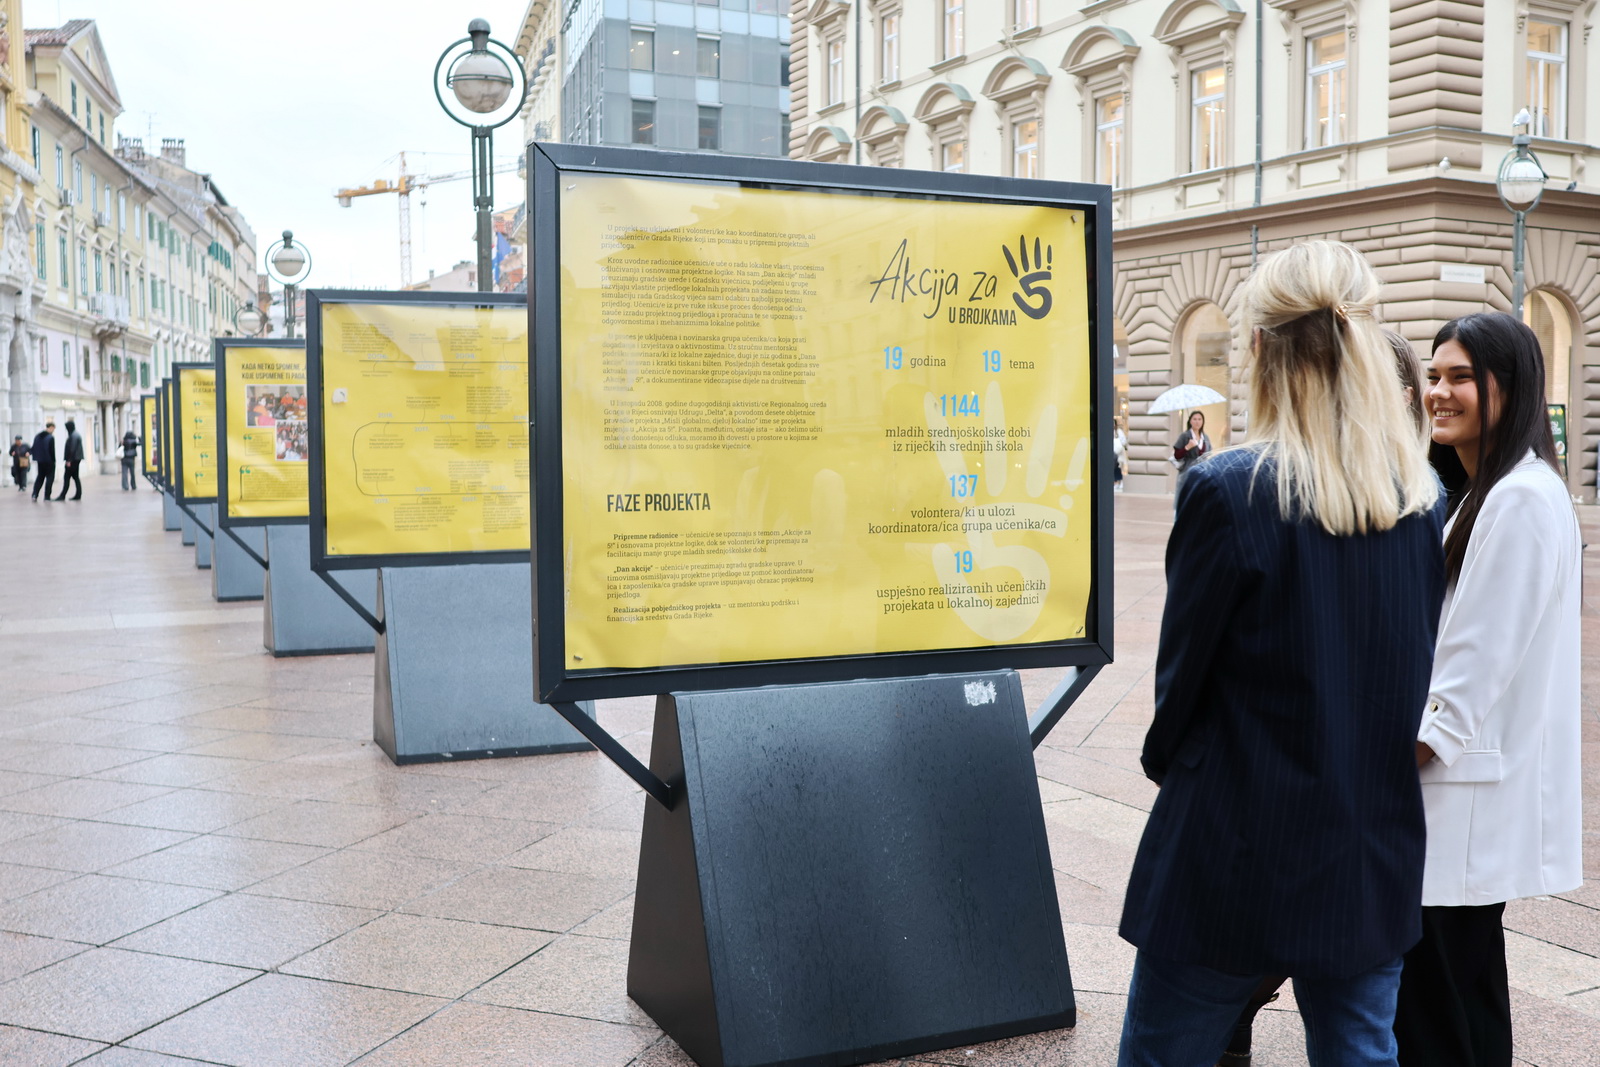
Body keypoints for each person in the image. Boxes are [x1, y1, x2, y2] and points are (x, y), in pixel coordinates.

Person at [1118, 240, 1445, 1067]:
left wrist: (1171, 768)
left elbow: (1181, 683)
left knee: (1165, 1054)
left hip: (1234, 842)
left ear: (1260, 348)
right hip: (1366, 844)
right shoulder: (1418, 498)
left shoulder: (1227, 490)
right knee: (1360, 1051)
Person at [1392, 313, 1582, 1065]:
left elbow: (1468, 673)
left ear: (1511, 386)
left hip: (1456, 800)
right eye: (1434, 375)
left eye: (1461, 376)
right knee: (1460, 1008)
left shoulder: (1520, 499)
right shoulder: (1488, 492)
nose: (1439, 391)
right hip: (1457, 800)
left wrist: (1386, 765)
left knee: (1443, 1020)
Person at [1172, 410, 1211, 491]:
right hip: (1188, 472)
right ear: (1190, 421)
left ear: (1203, 421)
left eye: (1199, 419)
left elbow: (1209, 454)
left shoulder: (1205, 437)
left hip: (1202, 473)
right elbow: (1177, 455)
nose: (1197, 422)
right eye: (1194, 419)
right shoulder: (1185, 436)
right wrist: (1187, 447)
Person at [55, 418, 84, 501]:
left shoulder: (73, 436)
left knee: (67, 477)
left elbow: (72, 449)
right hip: (76, 459)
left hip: (73, 460)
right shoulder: (75, 434)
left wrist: (69, 460)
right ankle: (78, 494)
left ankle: (63, 495)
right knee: (75, 477)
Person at [30, 421, 56, 502]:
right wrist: (53, 461)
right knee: (49, 479)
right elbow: (52, 451)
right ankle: (47, 496)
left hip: (40, 461)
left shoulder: (37, 436)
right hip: (49, 461)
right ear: (51, 427)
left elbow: (33, 448)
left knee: (40, 478)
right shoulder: (50, 438)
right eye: (53, 429)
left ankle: (35, 494)